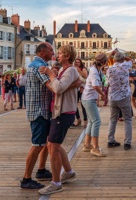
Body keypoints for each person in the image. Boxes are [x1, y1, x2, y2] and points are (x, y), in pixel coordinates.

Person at [37, 44, 80, 195]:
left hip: (64, 112)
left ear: (67, 56)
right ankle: (68, 172)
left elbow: (59, 88)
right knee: (53, 143)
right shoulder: (64, 70)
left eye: (60, 53)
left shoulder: (70, 70)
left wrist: (50, 75)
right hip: (60, 112)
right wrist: (55, 77)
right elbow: (63, 86)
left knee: (53, 147)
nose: (57, 55)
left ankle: (56, 183)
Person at [20, 42, 53, 189]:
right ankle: (26, 179)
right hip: (39, 111)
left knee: (44, 142)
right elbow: (52, 86)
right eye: (51, 50)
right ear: (43, 51)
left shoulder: (35, 64)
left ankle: (41, 170)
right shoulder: (40, 67)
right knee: (37, 145)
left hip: (40, 110)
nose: (53, 53)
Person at [81, 53, 108, 157]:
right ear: (104, 62)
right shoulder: (94, 71)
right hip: (88, 99)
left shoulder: (97, 69)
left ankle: (87, 145)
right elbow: (96, 86)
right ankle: (95, 148)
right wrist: (103, 95)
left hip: (88, 98)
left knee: (92, 122)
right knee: (96, 121)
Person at [106, 52, 133, 150]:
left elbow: (108, 82)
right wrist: (125, 57)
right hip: (123, 96)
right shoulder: (126, 66)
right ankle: (127, 142)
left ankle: (110, 140)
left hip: (112, 97)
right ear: (122, 59)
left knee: (113, 119)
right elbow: (131, 60)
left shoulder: (109, 69)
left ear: (114, 60)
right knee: (128, 119)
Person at [73, 58, 88, 128]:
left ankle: (85, 120)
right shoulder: (73, 69)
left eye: (78, 62)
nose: (77, 63)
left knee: (83, 105)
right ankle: (78, 119)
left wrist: (79, 70)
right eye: (76, 62)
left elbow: (86, 76)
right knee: (74, 105)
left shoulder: (83, 68)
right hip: (75, 89)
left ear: (81, 63)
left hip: (82, 88)